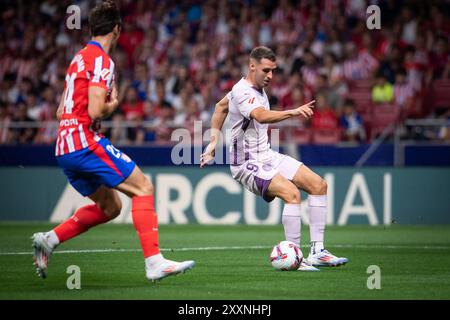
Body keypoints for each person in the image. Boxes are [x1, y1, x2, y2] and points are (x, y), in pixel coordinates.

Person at [31, 0, 194, 282]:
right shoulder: (102, 61)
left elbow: (60, 111)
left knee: (111, 208)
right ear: (117, 30)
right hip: (84, 141)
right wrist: (112, 103)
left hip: (64, 146)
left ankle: (50, 239)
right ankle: (154, 262)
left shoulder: (78, 58)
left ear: (93, 28)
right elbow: (95, 110)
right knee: (143, 187)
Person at [200, 46, 348, 270]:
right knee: (292, 194)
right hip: (246, 163)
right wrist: (293, 112)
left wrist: (213, 141)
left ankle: (318, 251)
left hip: (267, 154)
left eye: (273, 71)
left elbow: (220, 107)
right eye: (266, 70)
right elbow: (260, 115)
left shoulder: (250, 89)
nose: (270, 76)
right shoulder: (242, 91)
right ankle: (297, 257)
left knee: (319, 185)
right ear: (252, 66)